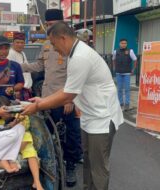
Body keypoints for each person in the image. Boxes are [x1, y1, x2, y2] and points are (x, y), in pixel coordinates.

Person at [22, 21, 124, 190]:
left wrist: (38, 106)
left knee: (98, 168)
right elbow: (68, 88)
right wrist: (43, 100)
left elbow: (68, 95)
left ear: (63, 38)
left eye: (53, 44)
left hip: (102, 119)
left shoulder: (80, 57)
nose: (53, 49)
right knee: (87, 162)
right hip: (90, 116)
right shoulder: (73, 54)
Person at [20, 9, 82, 187]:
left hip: (65, 97)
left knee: (72, 133)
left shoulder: (70, 43)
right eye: (47, 25)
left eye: (53, 24)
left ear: (61, 23)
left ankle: (70, 164)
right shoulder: (46, 44)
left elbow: (75, 73)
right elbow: (39, 65)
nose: (50, 27)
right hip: (47, 97)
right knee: (45, 131)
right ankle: (47, 163)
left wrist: (70, 99)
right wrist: (19, 66)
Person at [0, 96, 43, 190]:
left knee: (30, 150)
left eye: (7, 110)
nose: (6, 114)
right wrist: (9, 127)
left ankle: (37, 181)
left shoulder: (19, 114)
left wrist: (18, 123)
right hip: (9, 143)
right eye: (2, 112)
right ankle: (8, 159)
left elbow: (26, 125)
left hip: (23, 142)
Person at [112, 38, 137, 111]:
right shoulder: (115, 51)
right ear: (119, 44)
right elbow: (113, 59)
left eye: (125, 43)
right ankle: (120, 103)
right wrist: (114, 67)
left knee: (127, 89)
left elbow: (135, 60)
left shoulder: (130, 51)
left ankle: (127, 104)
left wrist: (133, 69)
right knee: (119, 89)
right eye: (122, 43)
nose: (124, 44)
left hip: (127, 73)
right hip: (118, 73)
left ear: (126, 44)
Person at [7, 32, 33, 101]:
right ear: (13, 43)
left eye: (22, 42)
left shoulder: (22, 53)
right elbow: (10, 74)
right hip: (18, 90)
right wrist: (15, 90)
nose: (20, 45)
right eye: (17, 42)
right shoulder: (10, 54)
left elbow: (26, 70)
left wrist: (29, 85)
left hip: (26, 88)